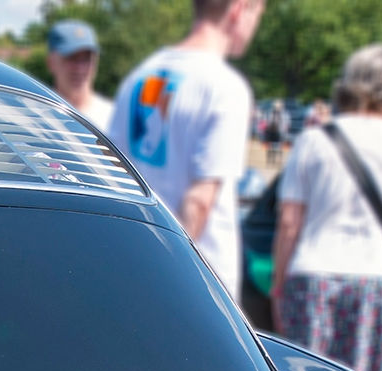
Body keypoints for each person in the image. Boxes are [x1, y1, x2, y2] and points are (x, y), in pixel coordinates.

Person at [268, 43, 382, 371]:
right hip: (380, 280)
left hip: (313, 277)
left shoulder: (313, 140)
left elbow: (288, 223)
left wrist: (279, 285)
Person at [107, 0, 267, 299]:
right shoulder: (225, 87)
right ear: (239, 9)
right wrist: (166, 276)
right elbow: (200, 201)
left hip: (132, 262)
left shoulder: (141, 76)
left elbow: (109, 171)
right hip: (196, 280)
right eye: (258, 14)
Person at [46, 20, 113, 126]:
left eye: (87, 59)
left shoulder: (113, 119)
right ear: (51, 63)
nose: (80, 68)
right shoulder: (37, 117)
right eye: (71, 58)